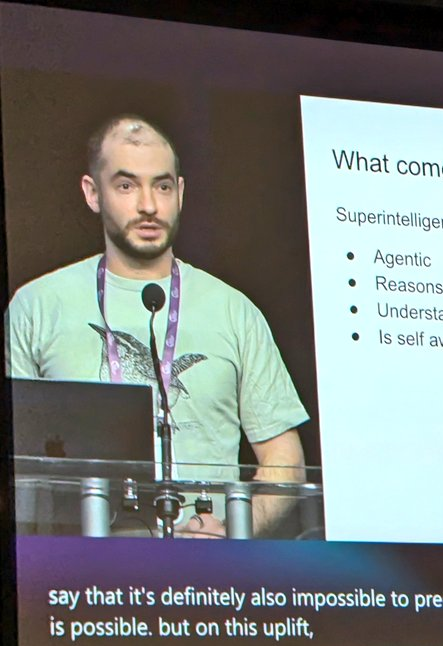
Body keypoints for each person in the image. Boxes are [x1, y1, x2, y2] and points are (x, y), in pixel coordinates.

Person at [5, 114, 309, 536]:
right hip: (78, 568)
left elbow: (285, 459)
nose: (148, 205)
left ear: (180, 192)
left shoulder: (233, 310)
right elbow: (16, 463)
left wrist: (231, 530)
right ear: (92, 193)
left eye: (162, 186)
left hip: (205, 567)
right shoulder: (37, 305)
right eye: (126, 186)